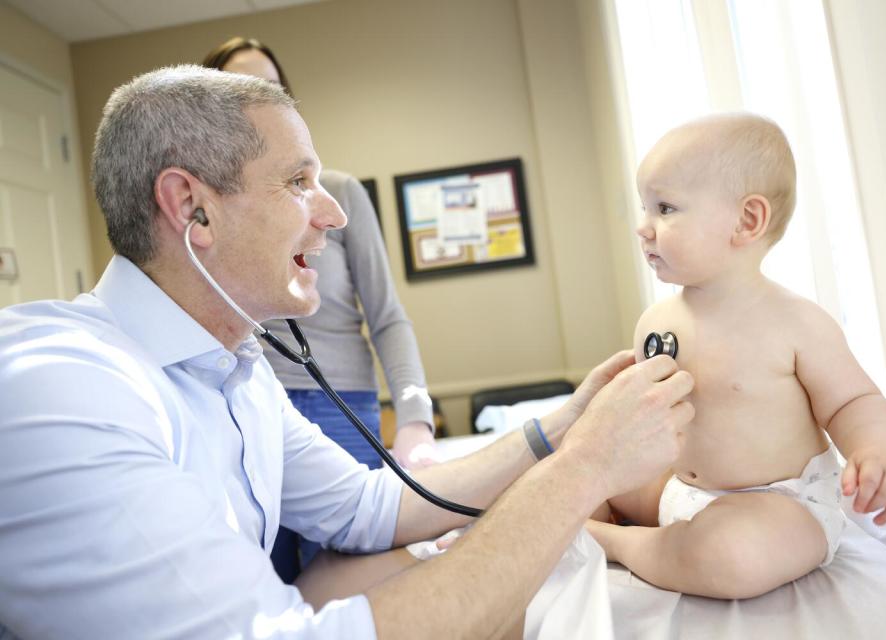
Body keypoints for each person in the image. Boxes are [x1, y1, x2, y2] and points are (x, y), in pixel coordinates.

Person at [0, 65, 694, 638]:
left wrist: (561, 429)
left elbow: (371, 507)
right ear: (191, 207)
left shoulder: (237, 371)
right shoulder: (65, 387)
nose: (331, 214)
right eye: (299, 182)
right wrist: (586, 469)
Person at [586, 113, 886, 600]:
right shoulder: (656, 323)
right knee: (573, 480)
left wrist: (879, 453)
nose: (643, 227)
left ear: (747, 220)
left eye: (665, 208)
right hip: (680, 490)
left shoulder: (796, 322)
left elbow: (853, 402)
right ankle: (642, 534)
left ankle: (618, 544)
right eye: (644, 208)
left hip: (778, 506)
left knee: (731, 558)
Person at [202, 37, 438, 473]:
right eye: (240, 88)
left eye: (272, 88)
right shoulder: (204, 210)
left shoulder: (340, 195)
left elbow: (388, 319)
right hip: (241, 405)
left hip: (340, 404)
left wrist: (415, 419)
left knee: (361, 538)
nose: (260, 100)